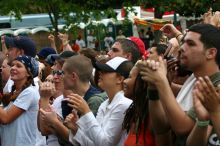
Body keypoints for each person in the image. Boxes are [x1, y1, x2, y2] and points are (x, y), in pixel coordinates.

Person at [137, 23, 220, 146]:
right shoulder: (194, 78)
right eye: (183, 42)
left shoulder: (216, 85)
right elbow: (160, 127)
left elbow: (182, 128)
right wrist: (153, 89)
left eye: (190, 44)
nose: (181, 48)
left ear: (211, 53)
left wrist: (161, 82)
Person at [65, 56, 133, 146]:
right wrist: (76, 130)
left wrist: (86, 112)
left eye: (106, 71)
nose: (100, 73)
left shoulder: (124, 104)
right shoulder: (104, 104)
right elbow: (94, 143)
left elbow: (105, 144)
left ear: (120, 79)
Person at [0, 55, 39, 146]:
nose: (13, 68)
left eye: (18, 66)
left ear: (28, 73)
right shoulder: (13, 92)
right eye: (12, 65)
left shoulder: (29, 92)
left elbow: (6, 118)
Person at [122, 65, 155, 146]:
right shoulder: (135, 113)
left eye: (129, 77)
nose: (124, 81)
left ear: (143, 83)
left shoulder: (152, 118)